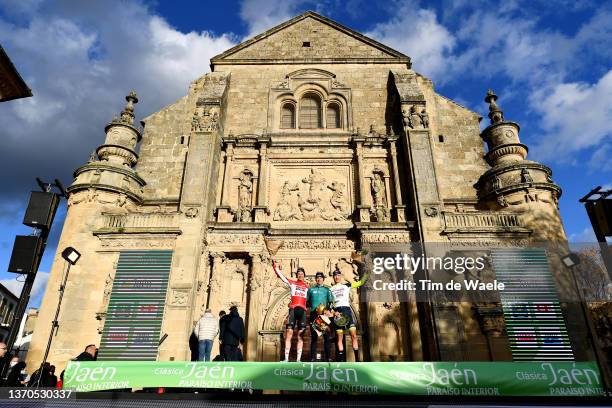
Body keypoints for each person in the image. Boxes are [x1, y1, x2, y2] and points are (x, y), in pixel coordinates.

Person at [330, 263, 368, 362]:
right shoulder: (330, 289)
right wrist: (334, 312)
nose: (337, 277)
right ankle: (342, 360)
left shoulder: (346, 285)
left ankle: (357, 359)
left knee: (353, 335)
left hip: (347, 310)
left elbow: (360, 283)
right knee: (339, 337)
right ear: (333, 277)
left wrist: (367, 273)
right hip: (337, 312)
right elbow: (329, 305)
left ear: (340, 276)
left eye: (338, 275)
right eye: (335, 276)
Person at [273, 263, 309, 362]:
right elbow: (282, 277)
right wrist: (275, 267)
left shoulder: (307, 287)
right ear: (297, 275)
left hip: (302, 311)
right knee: (289, 333)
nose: (300, 275)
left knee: (301, 335)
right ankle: (286, 358)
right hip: (293, 309)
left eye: (302, 274)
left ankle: (298, 359)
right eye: (298, 274)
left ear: (304, 275)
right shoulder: (293, 283)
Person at [306, 272, 333, 361]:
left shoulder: (326, 290)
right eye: (317, 278)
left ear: (323, 279)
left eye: (320, 278)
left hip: (324, 316)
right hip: (314, 315)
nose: (319, 279)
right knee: (314, 337)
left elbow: (331, 302)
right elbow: (307, 302)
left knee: (326, 337)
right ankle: (312, 358)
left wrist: (327, 311)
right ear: (316, 279)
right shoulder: (311, 290)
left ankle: (328, 357)